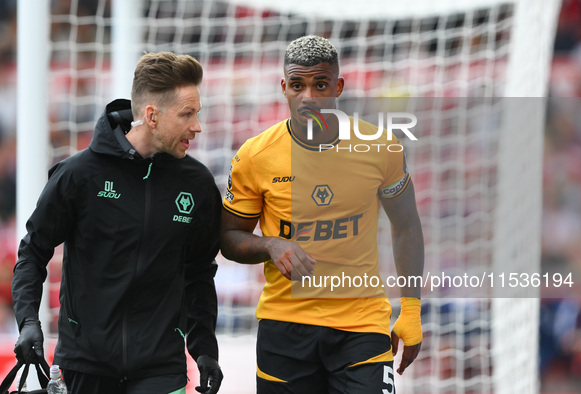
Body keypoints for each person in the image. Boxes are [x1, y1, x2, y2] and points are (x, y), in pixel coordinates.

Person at [221, 35, 424, 393]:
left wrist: (411, 309)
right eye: (297, 85)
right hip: (285, 327)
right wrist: (270, 244)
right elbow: (229, 238)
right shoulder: (255, 156)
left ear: (338, 86)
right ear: (283, 87)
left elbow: (406, 225)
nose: (308, 97)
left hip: (362, 325)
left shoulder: (382, 149)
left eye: (320, 84)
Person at [12, 52, 223, 394]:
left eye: (197, 113)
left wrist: (204, 351)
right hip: (84, 362)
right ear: (152, 116)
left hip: (161, 367)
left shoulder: (197, 184)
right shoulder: (78, 175)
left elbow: (199, 273)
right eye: (187, 114)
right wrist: (28, 322)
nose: (197, 126)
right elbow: (33, 253)